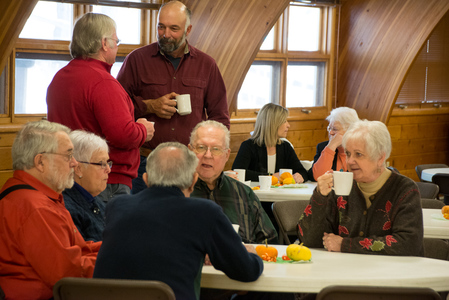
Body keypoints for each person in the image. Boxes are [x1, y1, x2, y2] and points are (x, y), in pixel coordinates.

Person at [93, 142, 263, 300]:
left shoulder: (116, 206)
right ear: (193, 181)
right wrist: (253, 256)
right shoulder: (205, 212)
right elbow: (245, 271)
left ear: (145, 179)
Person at [116, 0, 230, 194]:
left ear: (188, 30)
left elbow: (220, 118)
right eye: (161, 27)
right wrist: (149, 106)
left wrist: (212, 157)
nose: (166, 34)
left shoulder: (206, 65)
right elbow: (117, 108)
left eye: (174, 28)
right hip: (146, 162)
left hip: (190, 164)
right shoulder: (136, 60)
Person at [47, 12, 154, 202]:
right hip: (106, 182)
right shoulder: (103, 82)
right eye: (116, 39)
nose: (117, 45)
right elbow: (122, 135)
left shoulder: (59, 78)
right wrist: (144, 130)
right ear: (105, 43)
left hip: (69, 177)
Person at [0, 120, 101, 299]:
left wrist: (112, 247)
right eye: (68, 155)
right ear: (40, 162)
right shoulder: (36, 208)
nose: (74, 163)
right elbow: (68, 276)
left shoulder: (24, 193)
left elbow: (78, 251)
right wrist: (116, 257)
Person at [297, 120, 423, 256]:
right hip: (346, 273)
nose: (350, 161)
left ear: (380, 158)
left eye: (358, 154)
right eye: (348, 154)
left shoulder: (404, 189)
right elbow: (308, 240)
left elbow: (408, 244)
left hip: (393, 274)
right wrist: (320, 197)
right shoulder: (342, 186)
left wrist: (345, 245)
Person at [189, 120, 278, 244]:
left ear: (227, 155)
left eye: (216, 149)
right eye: (201, 147)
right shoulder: (176, 193)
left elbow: (270, 241)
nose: (208, 155)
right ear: (190, 151)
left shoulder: (244, 194)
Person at [232, 103, 308, 183]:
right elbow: (238, 172)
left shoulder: (286, 147)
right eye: (284, 121)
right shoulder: (248, 146)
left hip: (279, 194)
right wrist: (270, 177)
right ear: (273, 123)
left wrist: (300, 176)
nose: (288, 125)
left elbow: (302, 172)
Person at [63, 130, 111, 242]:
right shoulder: (68, 208)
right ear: (78, 169)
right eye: (101, 164)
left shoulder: (94, 200)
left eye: (108, 163)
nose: (108, 169)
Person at [308, 107, 359, 181]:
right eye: (329, 128)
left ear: (350, 131)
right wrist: (331, 147)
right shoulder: (323, 147)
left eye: (335, 129)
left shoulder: (361, 150)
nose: (330, 132)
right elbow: (318, 177)